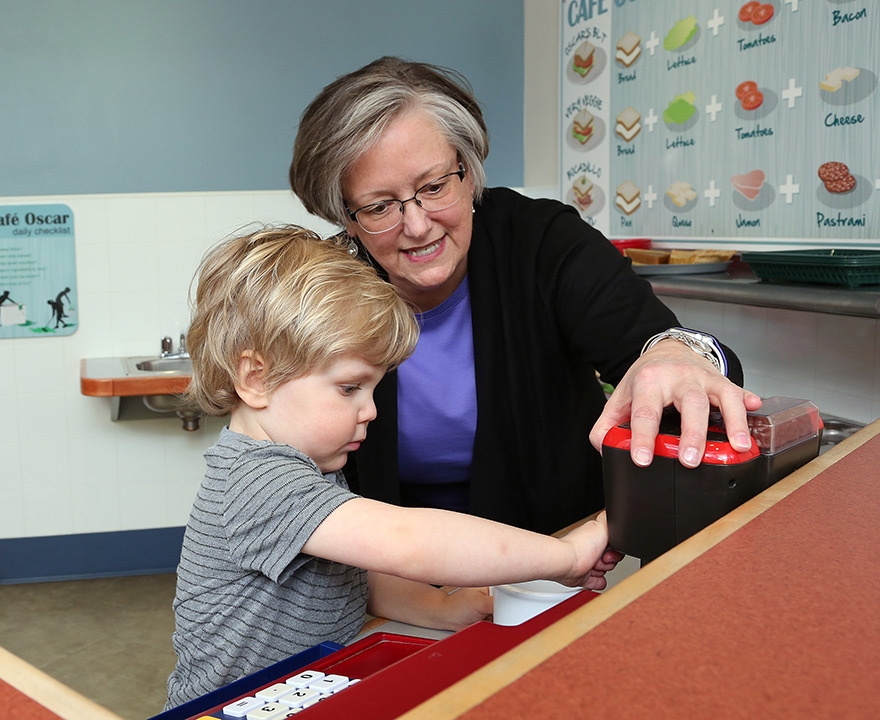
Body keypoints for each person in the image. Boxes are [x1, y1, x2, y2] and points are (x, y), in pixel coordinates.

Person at [289, 57, 762, 536]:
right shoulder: (325, 288)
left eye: (434, 187)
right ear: (346, 217)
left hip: (556, 556)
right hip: (388, 568)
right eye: (379, 206)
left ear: (468, 172)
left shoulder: (542, 241)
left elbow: (662, 344)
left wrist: (677, 354)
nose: (416, 226)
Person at [164, 226, 617, 708]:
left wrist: (442, 608)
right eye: (348, 388)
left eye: (374, 389)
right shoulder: (256, 480)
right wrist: (565, 555)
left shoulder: (308, 466)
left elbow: (357, 574)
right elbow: (407, 543)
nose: (371, 411)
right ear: (256, 379)